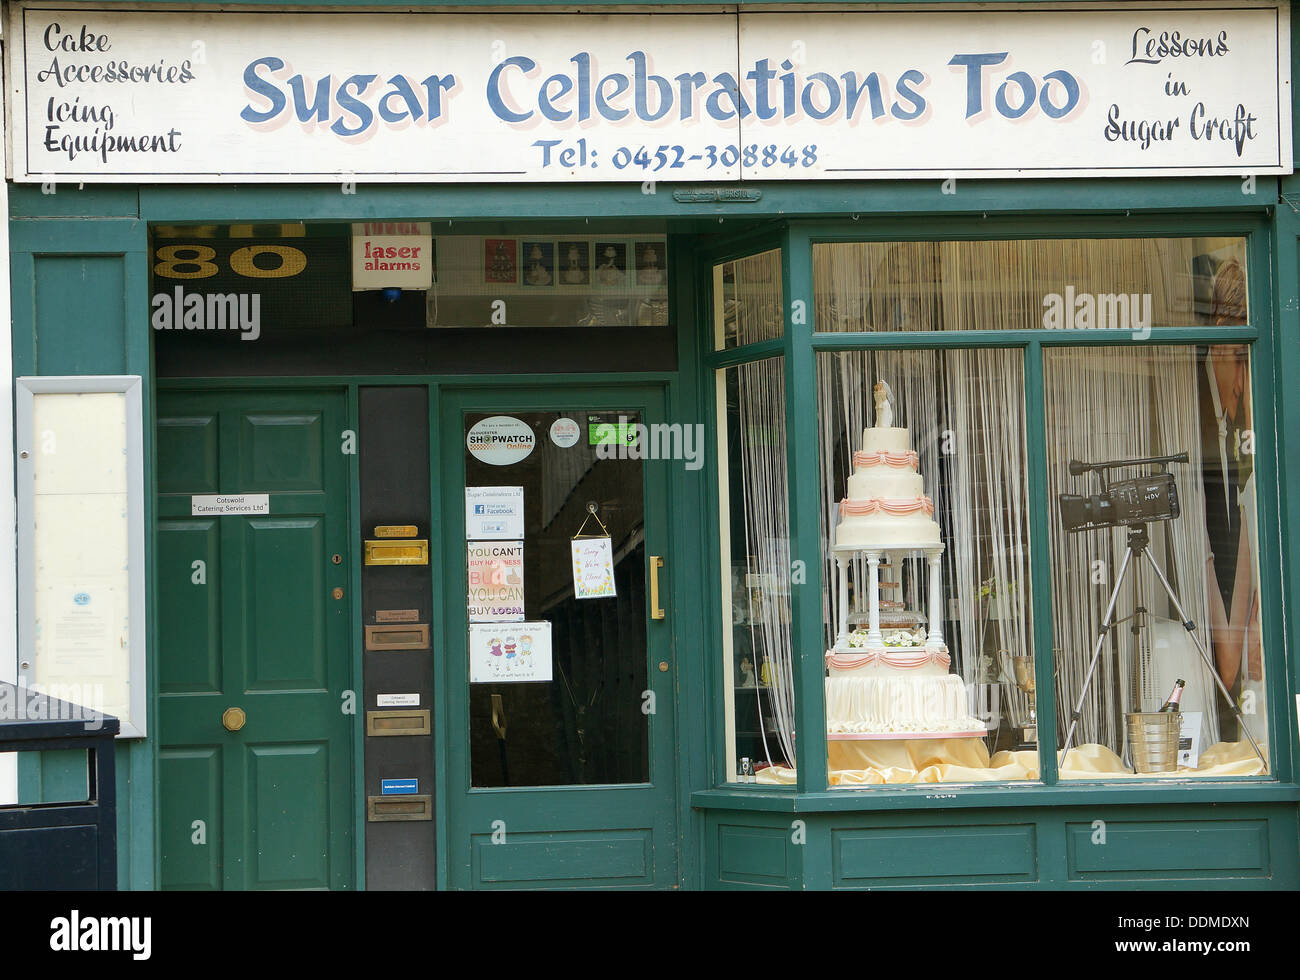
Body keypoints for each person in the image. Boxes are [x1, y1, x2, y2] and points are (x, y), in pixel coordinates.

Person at [1197, 259, 1261, 741]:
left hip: (1239, 498)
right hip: (1224, 498)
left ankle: (1237, 730)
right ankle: (1233, 731)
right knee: (1232, 649)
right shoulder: (1221, 360)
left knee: (1237, 649)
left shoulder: (1238, 360)